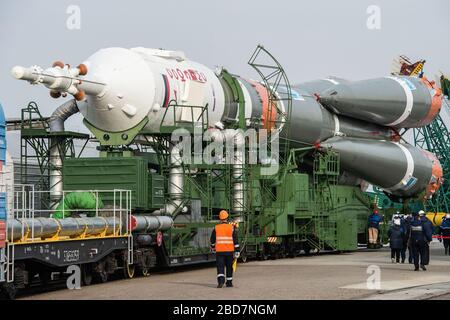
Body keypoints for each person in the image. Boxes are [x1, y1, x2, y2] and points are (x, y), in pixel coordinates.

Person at [210, 210, 239, 288]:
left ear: (220, 218)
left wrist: (213, 247)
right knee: (229, 267)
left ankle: (220, 282)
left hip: (219, 251)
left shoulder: (216, 228)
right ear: (227, 218)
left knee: (220, 267)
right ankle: (229, 283)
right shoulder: (231, 227)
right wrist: (237, 251)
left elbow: (212, 239)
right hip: (229, 251)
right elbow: (235, 240)